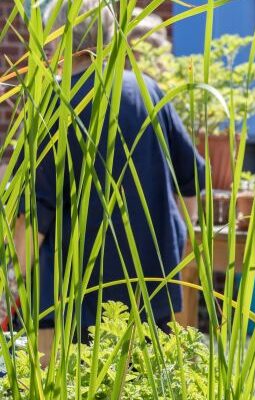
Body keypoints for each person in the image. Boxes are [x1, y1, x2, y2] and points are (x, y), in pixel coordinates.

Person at [13, 0, 204, 360]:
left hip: (71, 302)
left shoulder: (52, 103)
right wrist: (177, 248)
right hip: (150, 291)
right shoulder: (148, 91)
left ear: (58, 41)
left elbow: (33, 217)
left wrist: (15, 288)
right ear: (110, 37)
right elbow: (190, 181)